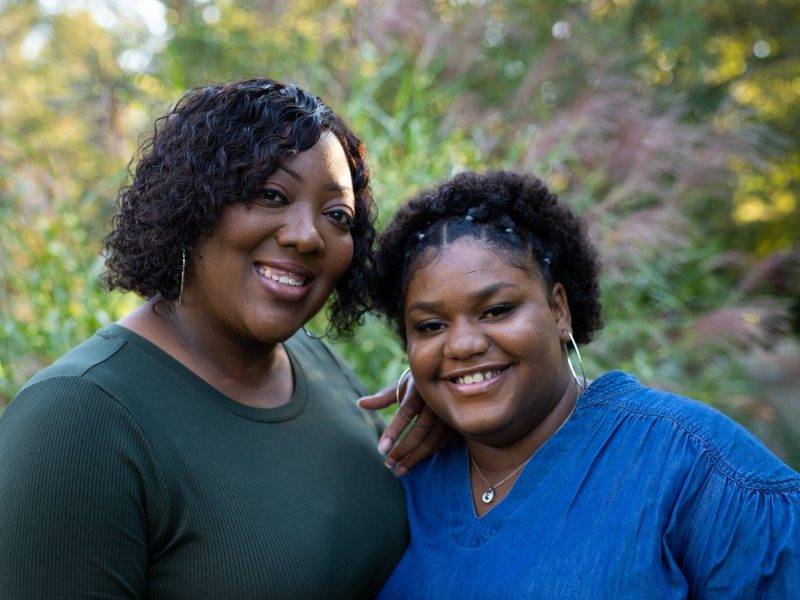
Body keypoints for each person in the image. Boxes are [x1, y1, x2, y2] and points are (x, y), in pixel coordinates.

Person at [0, 78, 438, 599]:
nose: (307, 235)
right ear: (192, 202)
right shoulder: (77, 418)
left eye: (336, 215)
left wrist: (448, 404)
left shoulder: (316, 364)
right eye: (271, 195)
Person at [369, 170, 800, 598]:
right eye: (430, 326)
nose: (461, 345)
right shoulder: (410, 483)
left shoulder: (690, 465)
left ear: (559, 311)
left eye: (497, 310)